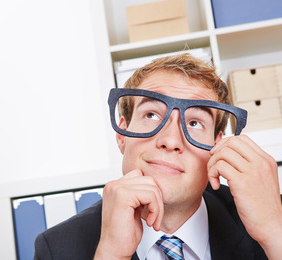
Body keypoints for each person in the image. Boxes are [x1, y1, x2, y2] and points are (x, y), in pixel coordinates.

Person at [34, 53, 282, 260]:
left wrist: (274, 233)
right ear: (122, 136)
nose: (171, 140)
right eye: (151, 115)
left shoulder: (271, 217)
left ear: (217, 147)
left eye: (194, 122)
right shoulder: (56, 248)